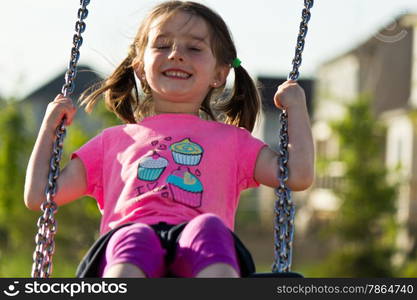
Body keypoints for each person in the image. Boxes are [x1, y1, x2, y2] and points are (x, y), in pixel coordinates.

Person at [24, 1, 314, 278]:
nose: (176, 54)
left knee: (209, 229)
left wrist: (297, 108)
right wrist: (49, 128)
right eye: (162, 45)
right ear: (139, 67)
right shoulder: (112, 141)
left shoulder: (232, 141)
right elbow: (40, 196)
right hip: (127, 243)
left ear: (219, 74)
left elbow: (296, 176)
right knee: (133, 234)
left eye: (194, 48)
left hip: (201, 247)